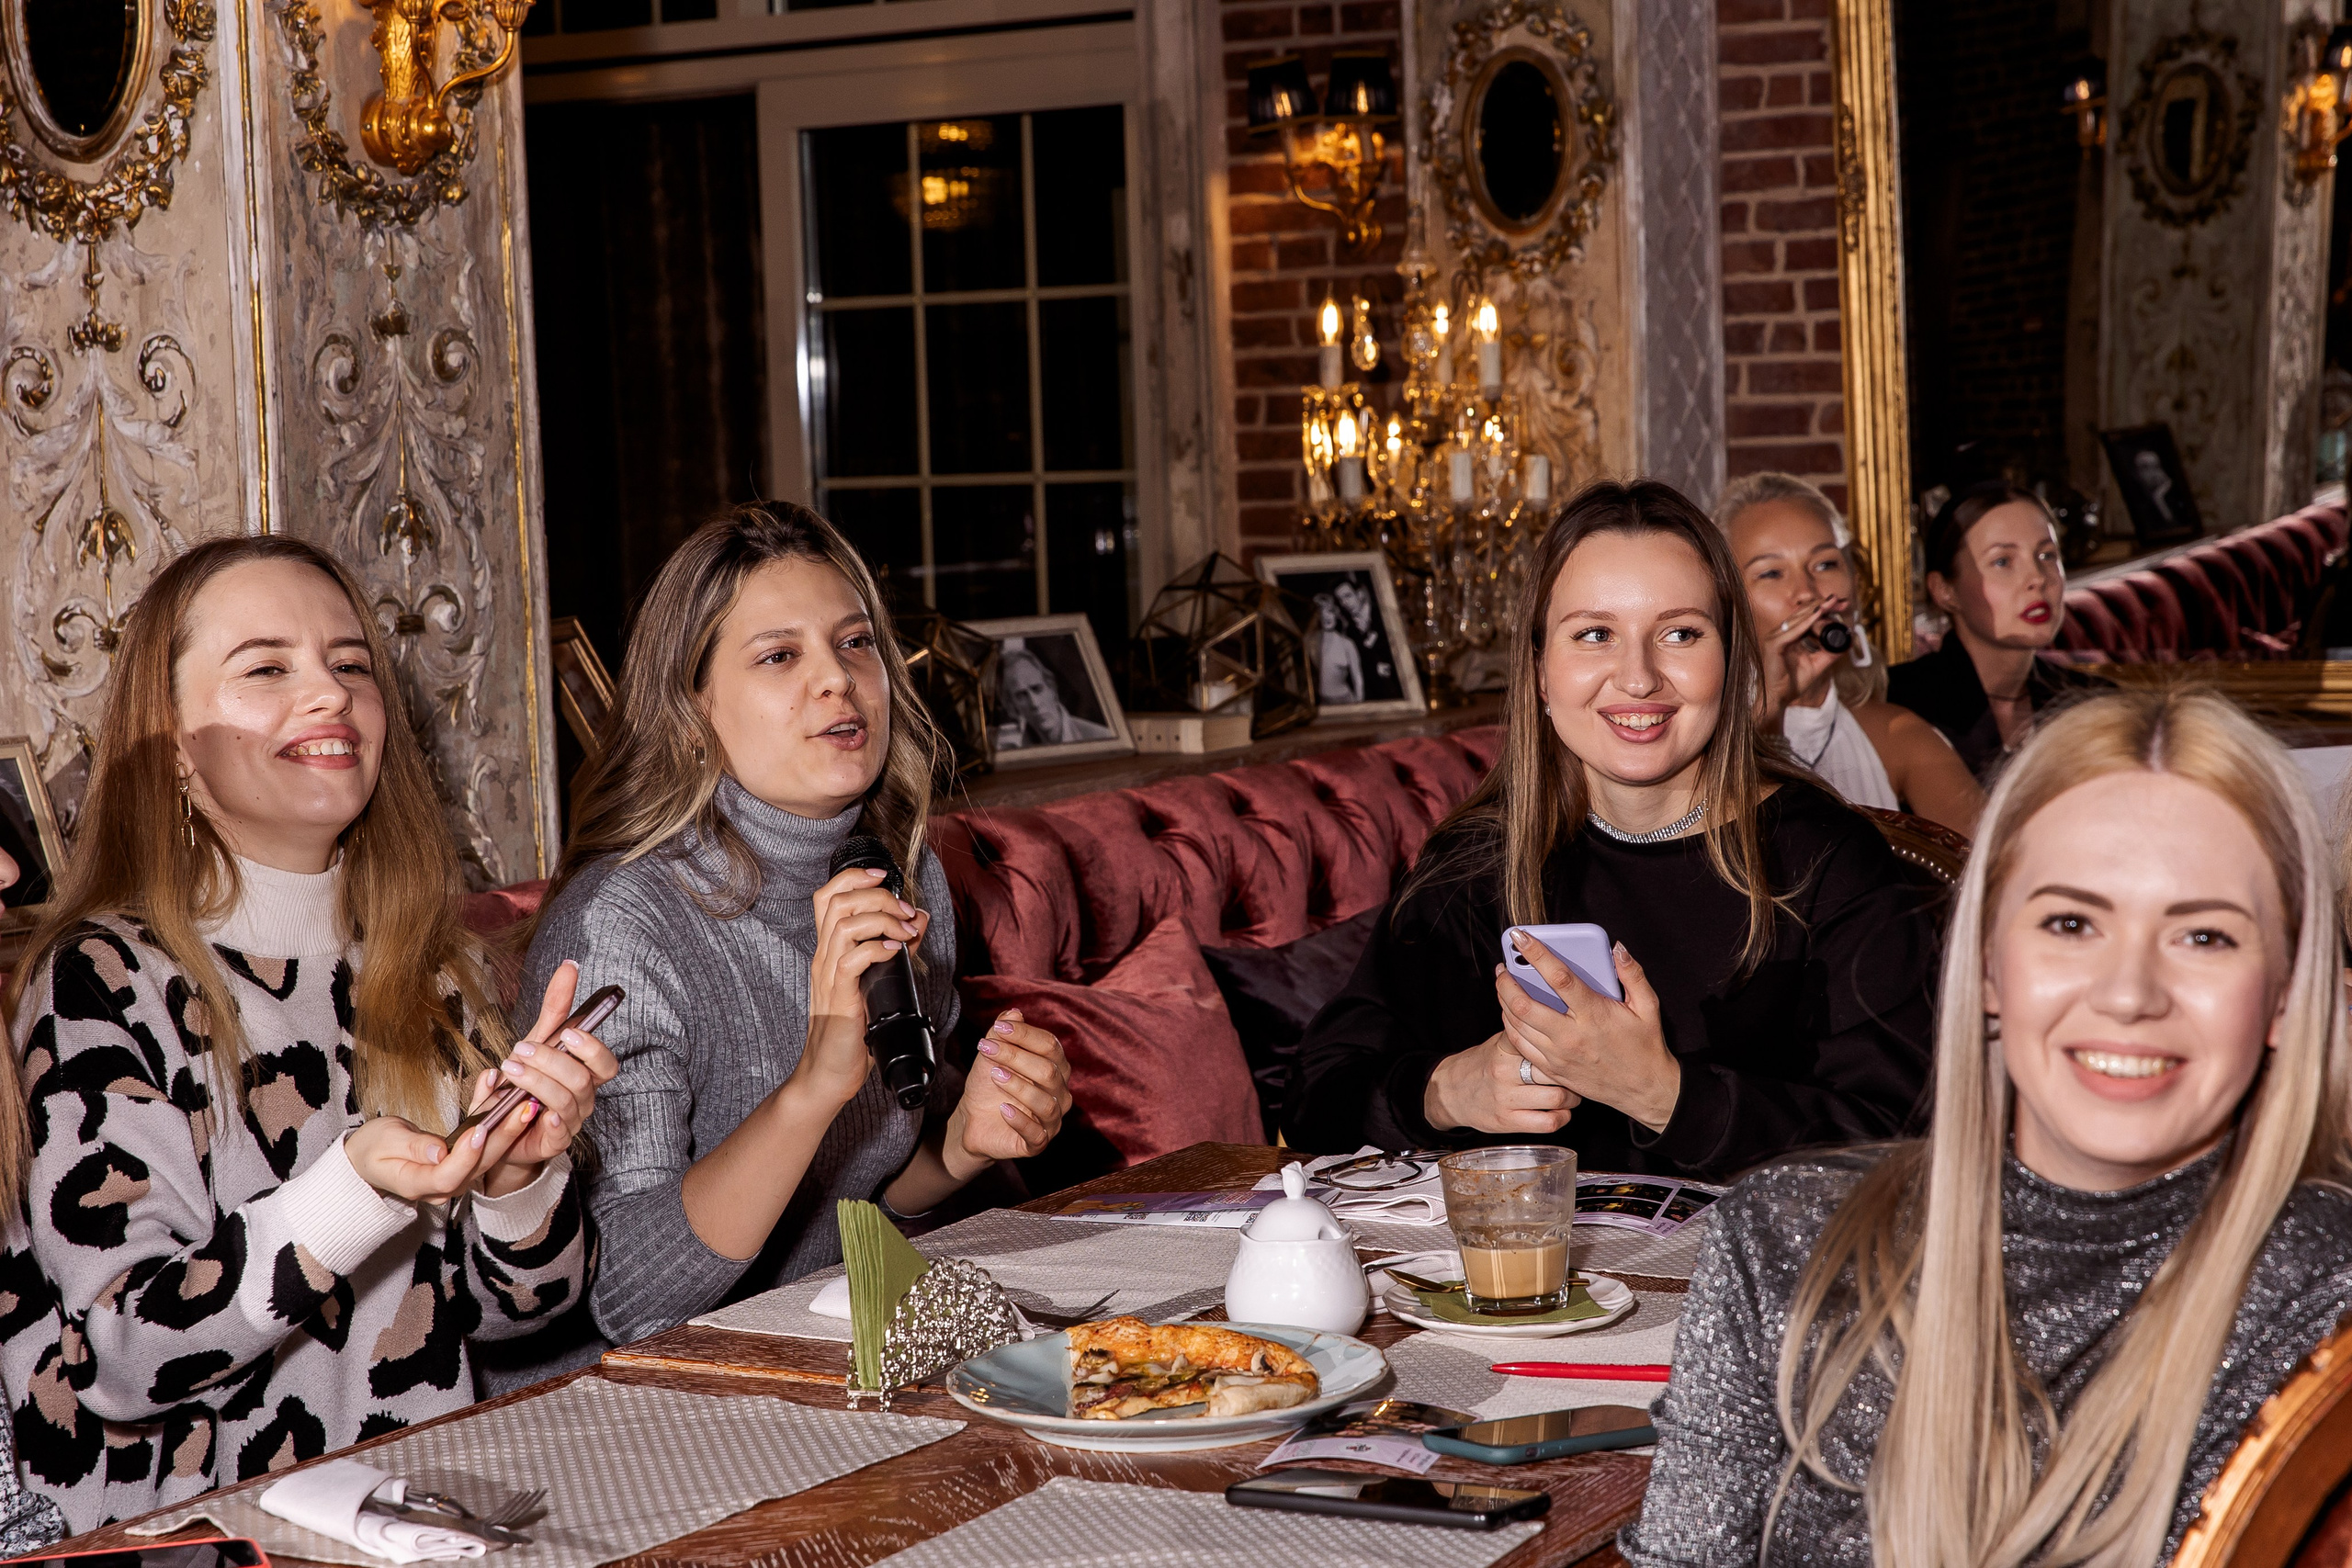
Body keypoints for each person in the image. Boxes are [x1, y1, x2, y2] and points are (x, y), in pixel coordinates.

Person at [1623, 687, 2352, 1566]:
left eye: (2203, 937)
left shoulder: (2328, 1299)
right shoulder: (1781, 1246)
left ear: (2286, 992)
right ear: (1989, 966)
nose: (2129, 994)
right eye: (2072, 923)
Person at [0, 536, 609, 1531]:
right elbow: (119, 1357)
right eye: (267, 669)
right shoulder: (102, 978)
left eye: (351, 664)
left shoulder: (430, 965)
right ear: (172, 742)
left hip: (417, 1514)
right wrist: (349, 1192)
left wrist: (516, 1180)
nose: (330, 694)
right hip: (200, 1534)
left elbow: (516, 1314)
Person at [490, 503, 1073, 1387]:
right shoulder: (624, 923)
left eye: (855, 642)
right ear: (694, 708)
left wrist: (963, 1145)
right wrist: (814, 1084)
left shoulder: (903, 872)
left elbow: (852, 1212)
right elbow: (633, 1296)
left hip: (818, 1353)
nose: (837, 679)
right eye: (779, 656)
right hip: (629, 1400)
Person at [1289, 479, 1937, 1179]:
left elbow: (1907, 1146)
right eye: (1595, 635)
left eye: (1680, 633)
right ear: (1541, 672)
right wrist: (1449, 1090)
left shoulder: (1829, 863)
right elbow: (1315, 1098)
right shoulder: (1477, 862)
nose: (1638, 678)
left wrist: (1661, 1093)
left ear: (1731, 662)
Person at [1720, 472, 1984, 835]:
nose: (1808, 592)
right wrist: (1768, 707)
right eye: (1771, 573)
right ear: (1728, 602)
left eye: (1825, 564)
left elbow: (1998, 860)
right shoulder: (1696, 741)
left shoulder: (1897, 735)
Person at [1888, 482, 2107, 783]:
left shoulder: (2093, 703)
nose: (2037, 578)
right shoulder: (1899, 706)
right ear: (1944, 590)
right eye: (2002, 561)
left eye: (2046, 555)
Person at [996, 645, 1114, 748]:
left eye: (1037, 689)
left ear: (1052, 689)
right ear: (1011, 706)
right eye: (1021, 695)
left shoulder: (1103, 738)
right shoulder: (1016, 751)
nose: (1035, 703)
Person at [1334, 577, 1404, 701]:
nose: (1344, 603)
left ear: (1359, 594)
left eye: (1348, 596)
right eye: (1340, 600)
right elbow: (1358, 664)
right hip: (1377, 693)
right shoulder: (1350, 632)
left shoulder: (1383, 616)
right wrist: (1374, 667)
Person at [1313, 592, 1365, 705]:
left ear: (1335, 613)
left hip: (1344, 701)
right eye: (1321, 612)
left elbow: (1358, 679)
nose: (1326, 616)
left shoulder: (1347, 644)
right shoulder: (1310, 642)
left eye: (1330, 611)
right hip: (1320, 703)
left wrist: (1359, 707)